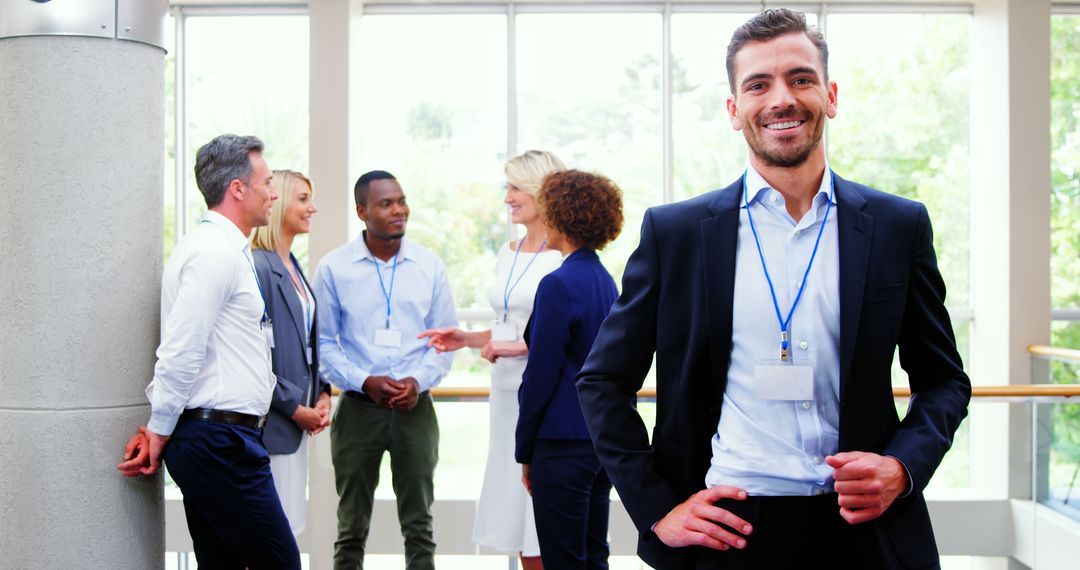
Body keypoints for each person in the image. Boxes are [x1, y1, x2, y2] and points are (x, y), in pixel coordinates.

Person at [575, 9, 971, 570]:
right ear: (735, 110)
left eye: (800, 78)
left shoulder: (896, 225)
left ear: (830, 95)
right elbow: (601, 381)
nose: (781, 98)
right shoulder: (677, 233)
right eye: (758, 85)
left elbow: (944, 381)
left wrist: (902, 468)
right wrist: (657, 509)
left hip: (865, 529)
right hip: (728, 530)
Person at [116, 134, 301, 569]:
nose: (274, 193)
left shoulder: (225, 251)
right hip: (218, 442)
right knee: (282, 562)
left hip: (222, 438)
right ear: (238, 189)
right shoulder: (213, 254)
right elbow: (181, 350)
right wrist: (159, 430)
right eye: (267, 182)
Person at [419, 150, 565, 570]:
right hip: (504, 398)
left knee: (542, 521)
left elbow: (570, 338)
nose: (508, 198)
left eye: (515, 187)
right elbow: (510, 328)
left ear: (541, 190)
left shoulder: (563, 255)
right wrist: (466, 337)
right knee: (517, 516)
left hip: (542, 397)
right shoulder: (510, 250)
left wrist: (522, 348)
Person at [313, 170, 457, 570]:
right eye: (386, 203)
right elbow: (323, 344)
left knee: (420, 525)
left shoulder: (429, 266)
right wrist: (364, 381)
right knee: (351, 526)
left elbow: (443, 342)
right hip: (359, 411)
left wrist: (417, 380)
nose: (399, 210)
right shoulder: (334, 268)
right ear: (362, 211)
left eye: (401, 201)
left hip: (416, 409)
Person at [516, 169, 623, 569]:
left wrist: (525, 448)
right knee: (594, 557)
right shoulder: (604, 280)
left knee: (562, 560)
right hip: (597, 444)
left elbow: (540, 377)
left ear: (559, 217)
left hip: (559, 444)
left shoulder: (557, 284)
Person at [250, 169, 332, 538]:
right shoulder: (259, 266)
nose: (312, 208)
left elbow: (307, 343)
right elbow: (255, 356)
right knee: (272, 538)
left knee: (288, 531)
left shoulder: (292, 264)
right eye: (302, 199)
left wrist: (324, 391)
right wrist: (294, 407)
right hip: (276, 424)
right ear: (279, 200)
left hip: (297, 422)